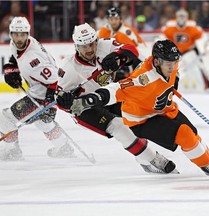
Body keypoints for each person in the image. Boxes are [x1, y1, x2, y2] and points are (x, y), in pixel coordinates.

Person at [58, 39, 209, 180]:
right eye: (168, 63)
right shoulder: (142, 78)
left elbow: (132, 51)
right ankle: (205, 165)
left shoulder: (169, 65)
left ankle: (208, 160)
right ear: (156, 62)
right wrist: (92, 98)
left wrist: (119, 56)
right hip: (143, 119)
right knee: (185, 134)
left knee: (193, 135)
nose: (172, 66)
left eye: (175, 62)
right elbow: (116, 89)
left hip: (165, 109)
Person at [56, 23, 176, 174]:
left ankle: (142, 159)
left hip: (106, 96)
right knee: (118, 127)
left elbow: (132, 49)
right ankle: (153, 159)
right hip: (84, 106)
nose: (90, 49)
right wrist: (65, 101)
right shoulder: (68, 69)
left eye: (92, 44)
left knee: (136, 116)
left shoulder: (105, 45)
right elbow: (60, 101)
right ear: (76, 46)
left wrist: (117, 55)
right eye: (84, 46)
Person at [0, 17, 75, 161]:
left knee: (4, 118)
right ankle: (63, 146)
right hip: (38, 94)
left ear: (27, 34)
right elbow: (15, 57)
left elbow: (55, 80)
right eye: (16, 34)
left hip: (41, 98)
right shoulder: (22, 43)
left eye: (22, 34)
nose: (19, 38)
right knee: (43, 122)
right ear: (11, 34)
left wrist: (48, 102)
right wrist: (11, 68)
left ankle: (12, 151)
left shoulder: (32, 59)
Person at [162, 8, 209, 92]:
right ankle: (169, 86)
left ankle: (208, 86)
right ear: (176, 17)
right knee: (173, 69)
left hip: (191, 51)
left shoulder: (192, 28)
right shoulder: (170, 29)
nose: (181, 18)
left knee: (201, 68)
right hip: (177, 52)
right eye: (180, 16)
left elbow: (203, 36)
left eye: (183, 16)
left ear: (187, 18)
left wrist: (204, 47)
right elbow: (163, 38)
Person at [98, 7, 149, 80]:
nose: (114, 22)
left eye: (116, 19)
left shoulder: (125, 32)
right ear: (108, 20)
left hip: (140, 55)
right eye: (111, 19)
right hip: (123, 55)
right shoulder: (104, 30)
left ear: (120, 19)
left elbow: (132, 51)